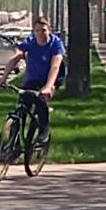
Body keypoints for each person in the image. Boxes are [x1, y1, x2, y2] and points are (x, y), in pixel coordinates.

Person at [9, 13, 67, 150]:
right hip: (34, 78)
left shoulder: (56, 44)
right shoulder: (31, 42)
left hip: (52, 78)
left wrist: (48, 86)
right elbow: (15, 58)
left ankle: (43, 132)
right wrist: (3, 78)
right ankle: (13, 143)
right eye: (37, 31)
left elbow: (55, 66)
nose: (40, 33)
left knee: (41, 101)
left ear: (49, 30)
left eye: (43, 30)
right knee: (22, 107)